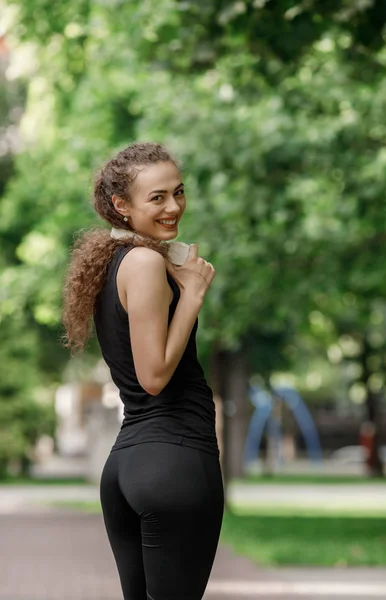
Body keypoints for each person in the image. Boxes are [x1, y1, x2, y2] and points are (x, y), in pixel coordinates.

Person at [62, 142, 224, 600]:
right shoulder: (145, 263)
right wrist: (192, 297)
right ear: (121, 205)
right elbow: (153, 377)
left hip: (128, 466)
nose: (173, 206)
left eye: (179, 191)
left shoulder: (117, 262)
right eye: (157, 197)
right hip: (174, 462)